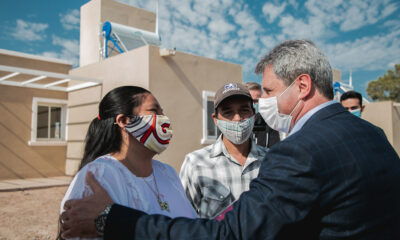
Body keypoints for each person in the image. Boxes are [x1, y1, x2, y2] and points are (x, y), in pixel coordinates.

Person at [60, 40, 400, 239]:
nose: (259, 105)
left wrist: (110, 218)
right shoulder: (375, 136)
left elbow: (227, 234)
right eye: (228, 112)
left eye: (266, 92)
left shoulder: (297, 152)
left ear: (302, 86)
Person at [58, 86, 196, 239]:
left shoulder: (168, 173)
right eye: (154, 111)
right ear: (124, 121)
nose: (164, 119)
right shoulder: (98, 177)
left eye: (162, 112)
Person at [179, 83, 268, 218]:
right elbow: (184, 220)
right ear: (215, 120)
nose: (237, 118)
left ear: (254, 115)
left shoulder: (270, 160)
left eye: (244, 110)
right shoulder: (195, 163)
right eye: (228, 112)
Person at [245, 81, 281, 147]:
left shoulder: (269, 124)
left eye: (256, 101)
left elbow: (275, 151)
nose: (252, 105)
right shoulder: (235, 125)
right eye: (249, 101)